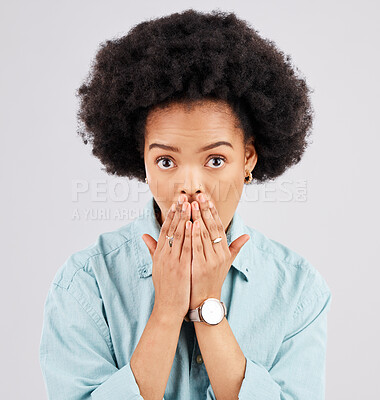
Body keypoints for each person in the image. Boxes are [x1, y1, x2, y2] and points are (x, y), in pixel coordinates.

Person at [39, 8, 332, 400]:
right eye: (166, 161)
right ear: (141, 160)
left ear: (248, 159)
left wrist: (208, 306)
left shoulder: (298, 290)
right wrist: (167, 309)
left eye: (215, 160)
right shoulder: (86, 283)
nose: (190, 186)